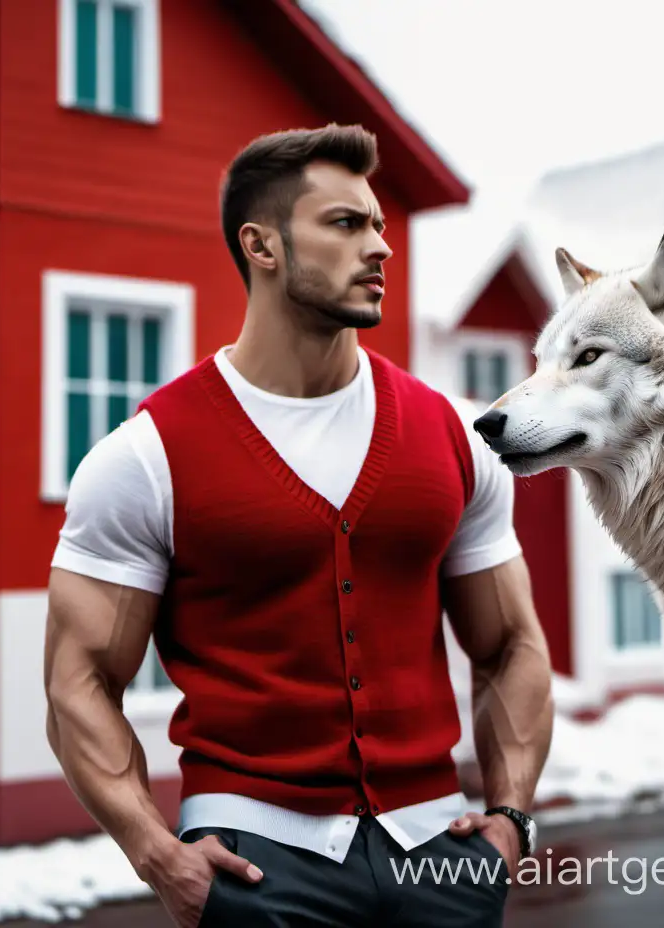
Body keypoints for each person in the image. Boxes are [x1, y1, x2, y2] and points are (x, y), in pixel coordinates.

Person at [43, 123, 554, 927]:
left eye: (380, 225)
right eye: (347, 224)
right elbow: (78, 681)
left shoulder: (454, 436)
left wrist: (510, 824)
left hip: (443, 859)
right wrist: (160, 857)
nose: (380, 247)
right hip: (253, 871)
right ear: (263, 246)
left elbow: (512, 644)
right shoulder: (143, 458)